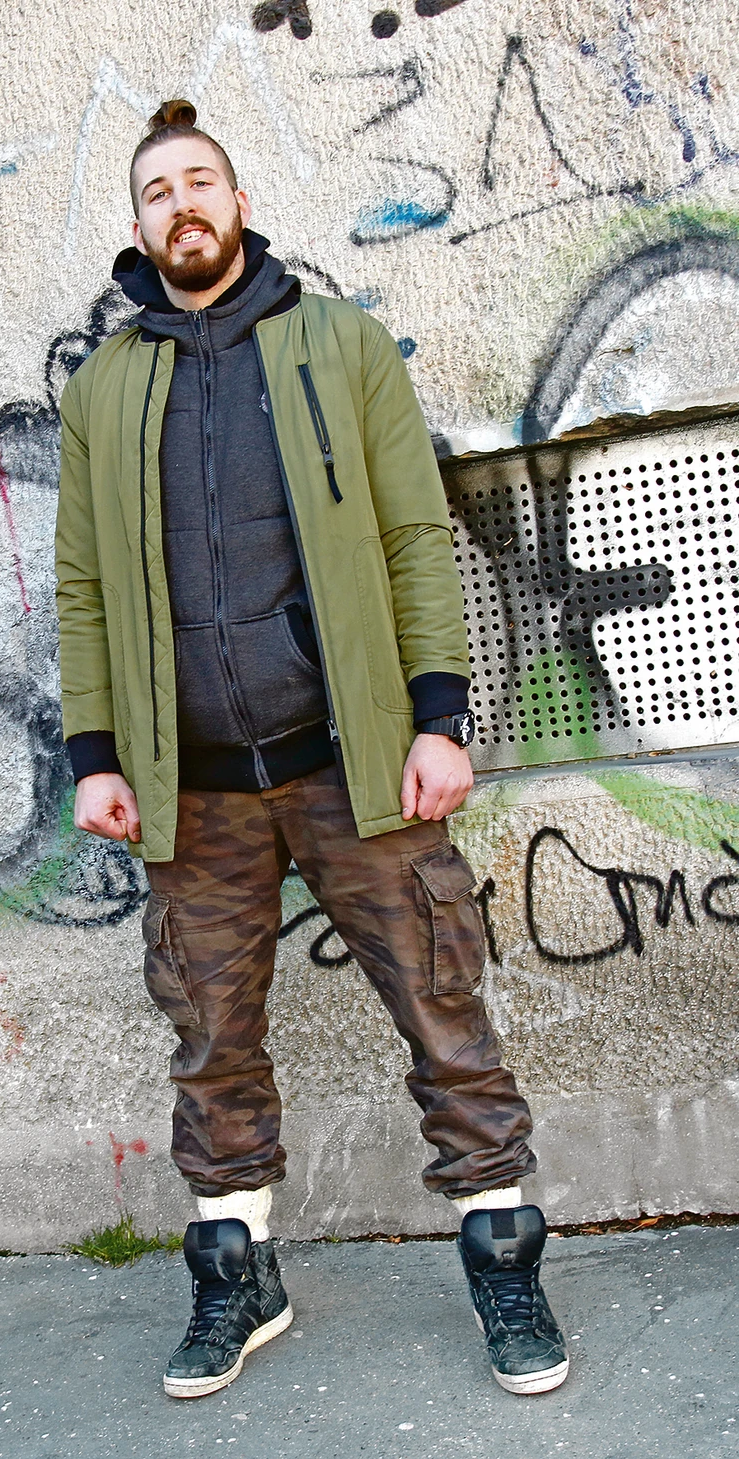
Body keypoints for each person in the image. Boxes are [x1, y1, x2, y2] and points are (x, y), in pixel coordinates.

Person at [55, 99, 568, 1400]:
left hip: (355, 760)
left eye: (201, 181)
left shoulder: (339, 342)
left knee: (442, 1004)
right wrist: (97, 754)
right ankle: (239, 1280)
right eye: (158, 189)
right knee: (210, 1035)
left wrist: (439, 719)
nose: (182, 204)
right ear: (138, 225)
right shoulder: (105, 388)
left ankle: (504, 1264)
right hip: (193, 790)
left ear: (237, 202)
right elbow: (84, 586)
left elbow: (413, 533)